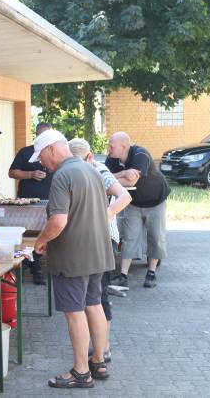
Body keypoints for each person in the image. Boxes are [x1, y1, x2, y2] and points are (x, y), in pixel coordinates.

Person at [31, 130, 114, 389]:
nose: (42, 162)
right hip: (98, 252)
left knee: (74, 313)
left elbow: (57, 221)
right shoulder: (91, 169)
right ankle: (98, 361)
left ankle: (81, 372)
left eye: (41, 156)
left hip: (73, 257)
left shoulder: (62, 176)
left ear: (52, 149)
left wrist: (40, 241)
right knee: (94, 304)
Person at [68, 137, 132, 364]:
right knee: (90, 297)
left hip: (104, 238)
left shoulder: (98, 169)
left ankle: (103, 348)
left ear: (89, 157)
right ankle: (96, 349)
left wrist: (104, 214)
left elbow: (125, 196)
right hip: (87, 239)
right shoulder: (73, 171)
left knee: (99, 295)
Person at [105, 132, 170, 288]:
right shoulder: (111, 158)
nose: (109, 149)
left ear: (124, 146)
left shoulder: (141, 154)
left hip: (155, 201)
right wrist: (123, 173)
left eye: (111, 146)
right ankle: (123, 276)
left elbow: (130, 180)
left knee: (155, 236)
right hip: (133, 202)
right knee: (129, 237)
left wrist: (116, 179)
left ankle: (151, 273)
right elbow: (104, 177)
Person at [9, 122, 54, 285]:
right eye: (42, 135)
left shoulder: (54, 153)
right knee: (27, 234)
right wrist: (30, 174)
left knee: (44, 233)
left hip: (49, 201)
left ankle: (36, 267)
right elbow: (12, 172)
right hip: (26, 202)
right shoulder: (26, 152)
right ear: (36, 135)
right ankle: (28, 264)